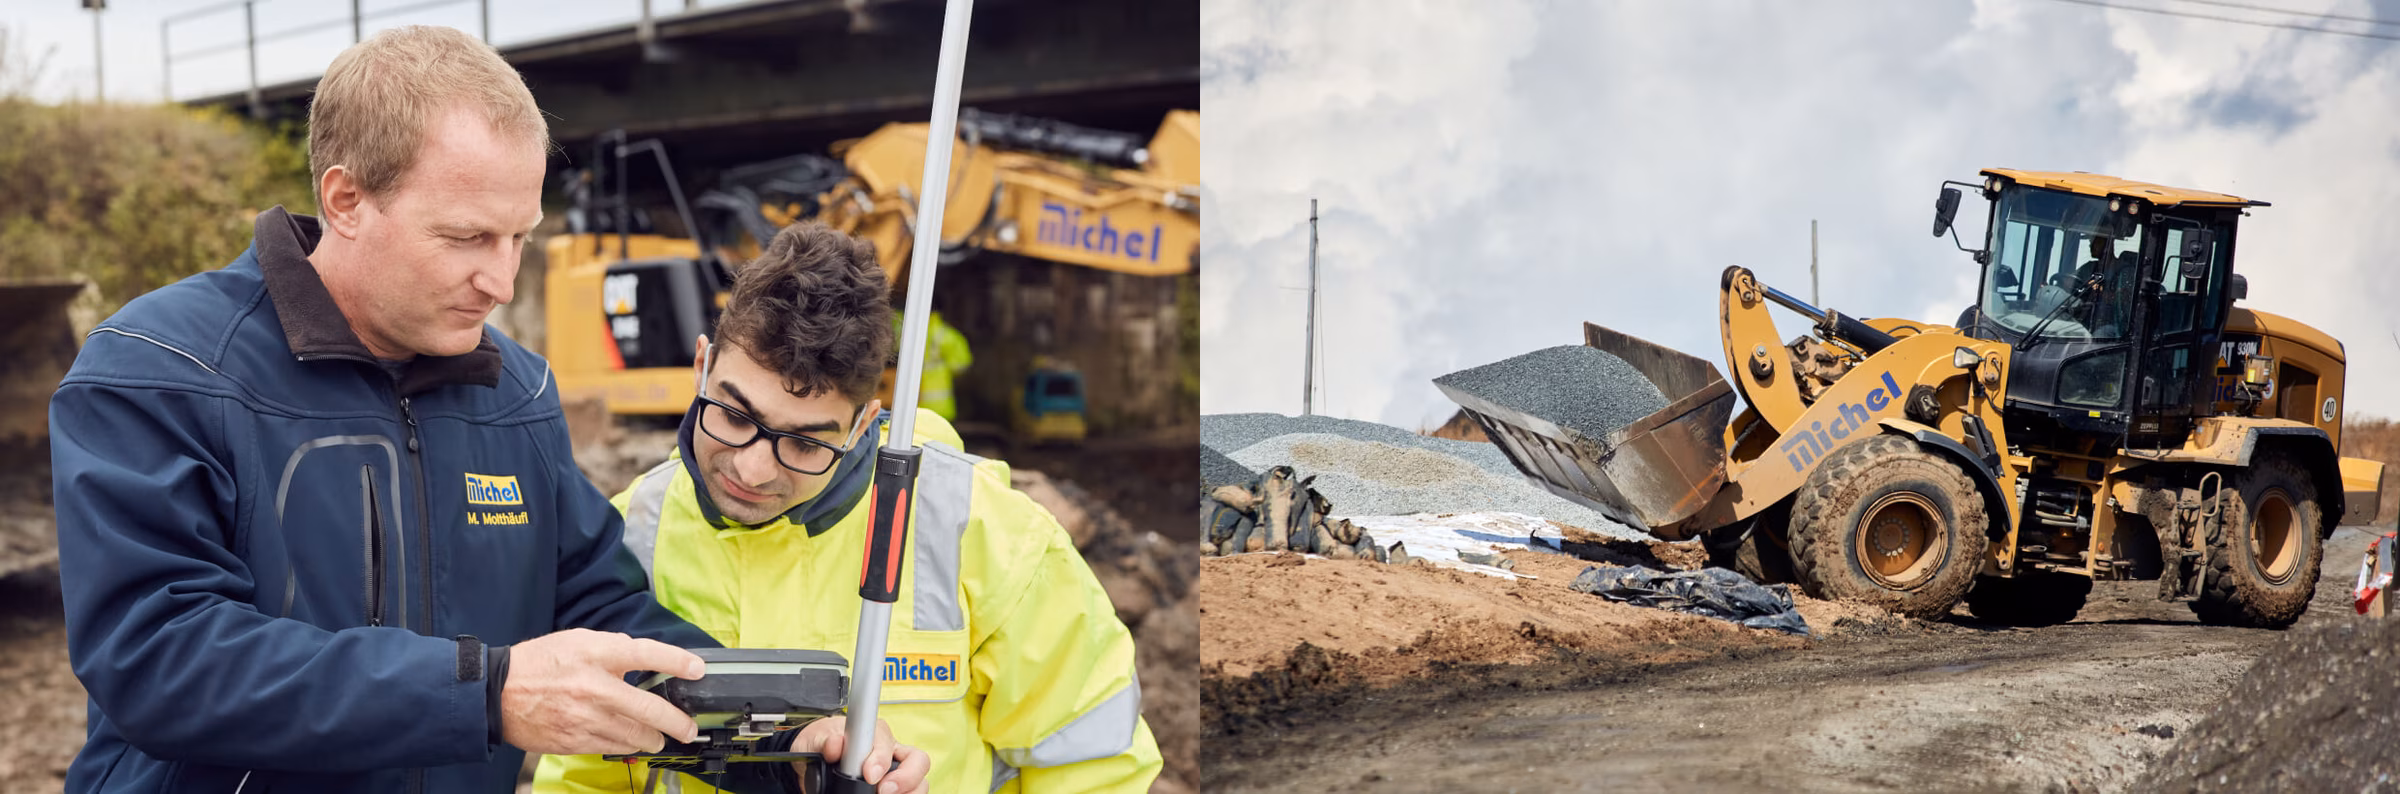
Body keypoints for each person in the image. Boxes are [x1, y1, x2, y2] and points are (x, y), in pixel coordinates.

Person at [49, 26, 925, 794]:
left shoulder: (517, 393)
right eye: (467, 237)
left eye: (520, 239)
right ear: (346, 200)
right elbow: (159, 658)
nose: (502, 282)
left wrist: (787, 742)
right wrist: (488, 693)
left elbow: (610, 619)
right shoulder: (158, 370)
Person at [535, 222, 1161, 794]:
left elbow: (1098, 769)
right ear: (701, 367)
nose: (753, 469)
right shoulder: (627, 534)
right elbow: (583, 775)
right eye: (732, 414)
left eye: (805, 442)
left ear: (864, 425)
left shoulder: (989, 533)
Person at [892, 310, 973, 420]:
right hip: (939, 408)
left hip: (904, 406)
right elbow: (961, 366)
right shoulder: (948, 335)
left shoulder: (903, 329)